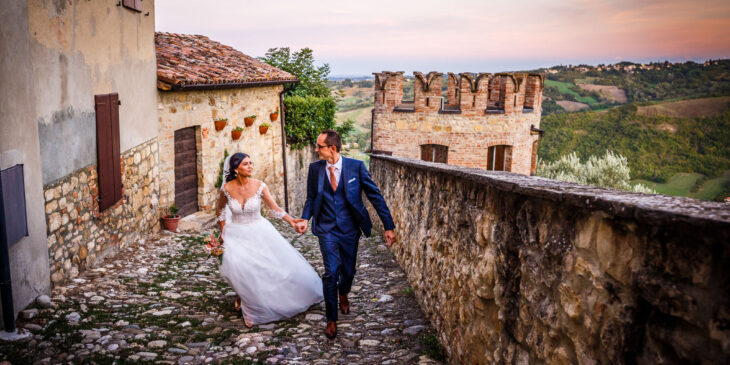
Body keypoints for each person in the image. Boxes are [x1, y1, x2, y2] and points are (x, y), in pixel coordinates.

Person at [294, 130, 397, 339]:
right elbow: (312, 197)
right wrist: (305, 218)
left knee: (348, 272)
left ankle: (344, 292)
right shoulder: (315, 169)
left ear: (332, 148)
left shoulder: (356, 167)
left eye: (319, 146)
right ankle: (331, 319)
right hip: (326, 229)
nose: (315, 150)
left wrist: (389, 226)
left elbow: (375, 196)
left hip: (350, 229)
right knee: (331, 272)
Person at [216, 152, 322, 327]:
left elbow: (274, 209)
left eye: (251, 163)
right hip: (235, 233)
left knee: (265, 267)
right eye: (245, 164)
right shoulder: (226, 189)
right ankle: (246, 300)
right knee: (240, 267)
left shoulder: (259, 186)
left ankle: (257, 306)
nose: (250, 166)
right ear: (236, 169)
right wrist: (223, 233)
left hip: (259, 231)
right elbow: (220, 212)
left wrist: (292, 221)